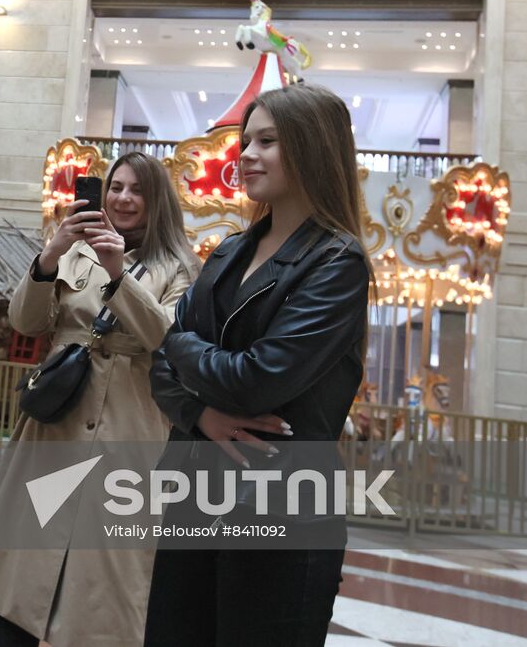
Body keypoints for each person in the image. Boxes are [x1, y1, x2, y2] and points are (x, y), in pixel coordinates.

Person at [143, 82, 371, 646]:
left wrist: (172, 339)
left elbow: (255, 380)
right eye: (246, 141)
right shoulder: (227, 251)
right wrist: (203, 418)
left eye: (266, 141)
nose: (245, 154)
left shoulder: (337, 262)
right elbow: (161, 377)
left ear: (312, 146)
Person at [0, 151, 201, 647]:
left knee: (99, 591)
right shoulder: (75, 256)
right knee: (25, 580)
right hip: (56, 426)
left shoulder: (178, 269)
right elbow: (26, 323)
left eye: (136, 189)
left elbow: (167, 338)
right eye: (115, 186)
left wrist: (119, 276)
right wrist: (50, 256)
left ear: (156, 200)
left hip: (127, 435)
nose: (122, 197)